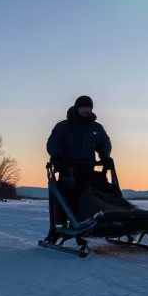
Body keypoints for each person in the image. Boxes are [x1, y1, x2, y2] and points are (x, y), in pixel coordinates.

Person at [46, 95, 113, 225]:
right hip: (67, 168)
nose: (86, 111)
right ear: (77, 108)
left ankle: (97, 217)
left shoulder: (96, 128)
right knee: (68, 194)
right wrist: (57, 156)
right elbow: (53, 144)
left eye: (88, 108)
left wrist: (105, 156)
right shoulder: (63, 126)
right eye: (83, 108)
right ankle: (64, 221)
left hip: (88, 167)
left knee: (97, 191)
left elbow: (104, 143)